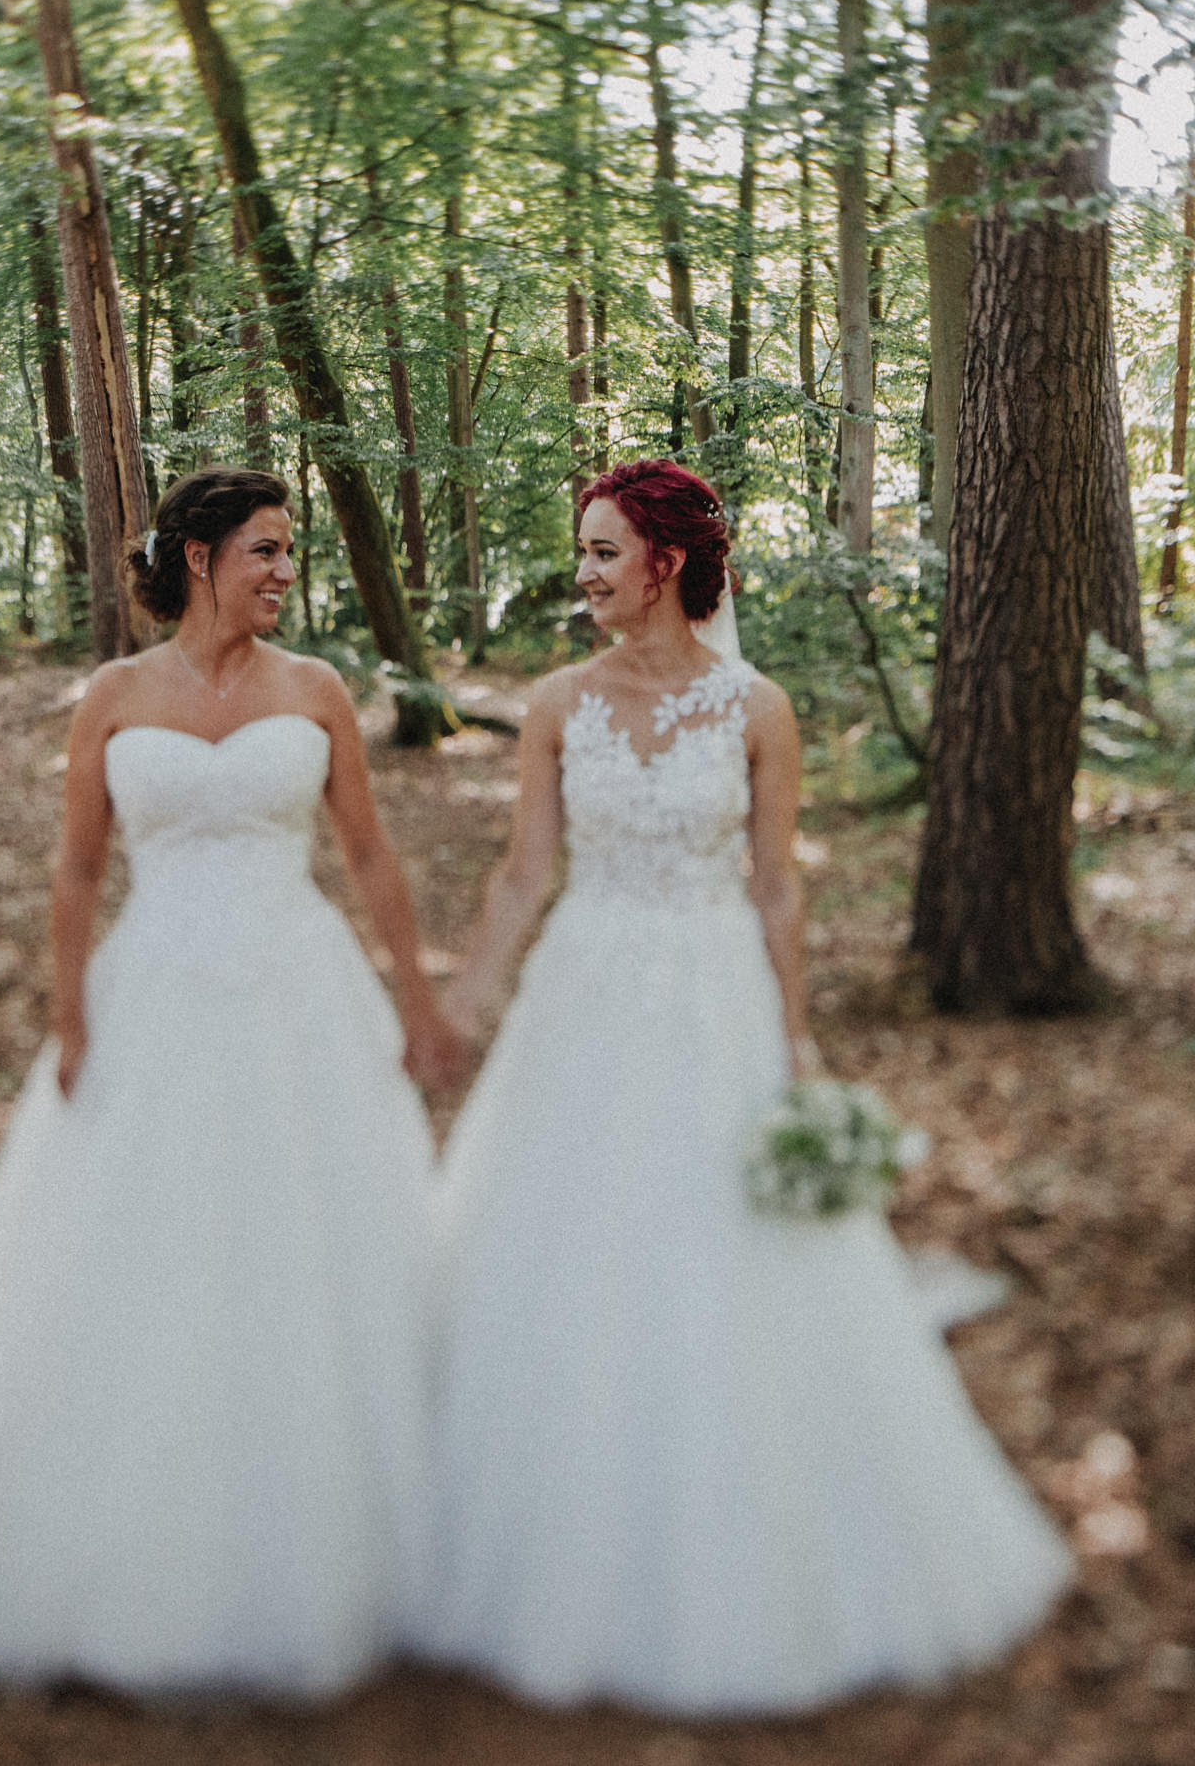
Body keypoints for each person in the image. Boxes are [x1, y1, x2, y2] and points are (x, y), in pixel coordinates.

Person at [414, 458, 1072, 1714]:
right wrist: (464, 1003)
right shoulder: (554, 702)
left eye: (604, 551)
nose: (585, 573)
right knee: (570, 1248)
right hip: (584, 994)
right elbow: (521, 874)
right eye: (583, 550)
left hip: (712, 996)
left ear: (666, 563)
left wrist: (795, 1039)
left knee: (727, 1249)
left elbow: (777, 886)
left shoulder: (756, 708)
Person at [0, 466, 460, 1700]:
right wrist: (71, 1015)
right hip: (157, 996)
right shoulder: (114, 698)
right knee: (141, 1250)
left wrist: (417, 997)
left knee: (315, 1250)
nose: (287, 571)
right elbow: (76, 871)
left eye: (290, 552)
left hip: (299, 994)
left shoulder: (318, 691)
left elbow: (367, 853)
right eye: (267, 551)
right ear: (198, 557)